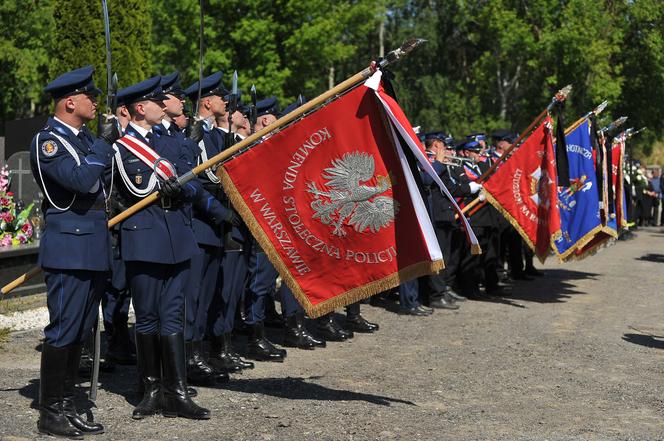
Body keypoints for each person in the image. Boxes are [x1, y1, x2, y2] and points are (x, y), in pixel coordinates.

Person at [30, 65, 121, 438]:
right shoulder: (48, 141)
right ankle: (50, 410)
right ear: (70, 102)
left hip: (93, 245)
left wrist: (102, 144)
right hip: (69, 248)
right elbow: (82, 181)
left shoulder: (82, 140)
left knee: (82, 330)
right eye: (90, 97)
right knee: (64, 329)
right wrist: (103, 144)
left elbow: (105, 184)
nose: (96, 102)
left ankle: (67, 403)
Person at [113, 76, 210, 420]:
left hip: (176, 236)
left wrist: (181, 189)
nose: (163, 105)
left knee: (173, 316)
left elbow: (194, 185)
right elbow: (130, 191)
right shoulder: (120, 146)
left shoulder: (169, 142)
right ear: (142, 108)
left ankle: (177, 391)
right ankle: (150, 389)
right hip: (144, 236)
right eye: (156, 101)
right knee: (147, 317)